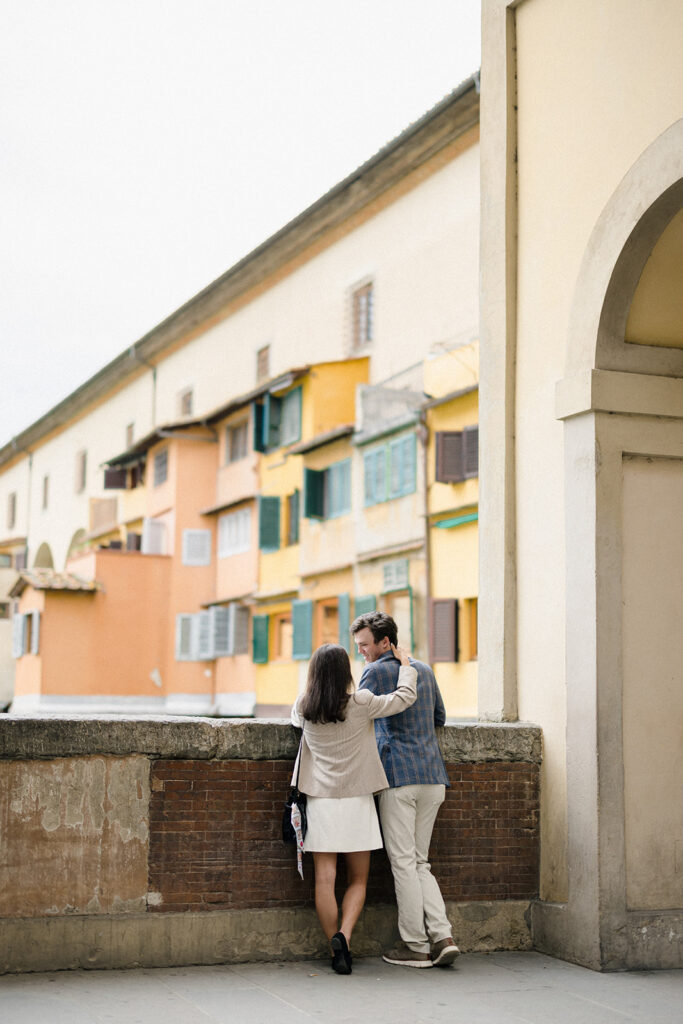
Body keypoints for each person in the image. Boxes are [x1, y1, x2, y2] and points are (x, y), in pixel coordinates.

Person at [291, 641, 417, 975]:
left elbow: (295, 721)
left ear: (314, 673)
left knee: (325, 880)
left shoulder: (305, 705)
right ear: (346, 671)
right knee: (359, 878)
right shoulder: (361, 702)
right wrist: (405, 665)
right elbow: (403, 698)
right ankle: (344, 938)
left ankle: (336, 950)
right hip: (358, 801)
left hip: (321, 802)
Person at [352, 611, 460, 969]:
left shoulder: (376, 672)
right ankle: (442, 937)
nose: (362, 652)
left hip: (398, 776)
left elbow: (356, 716)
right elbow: (439, 718)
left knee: (402, 863)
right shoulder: (424, 670)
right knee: (419, 862)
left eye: (365, 645)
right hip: (432, 774)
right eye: (358, 646)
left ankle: (415, 946)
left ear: (385, 642)